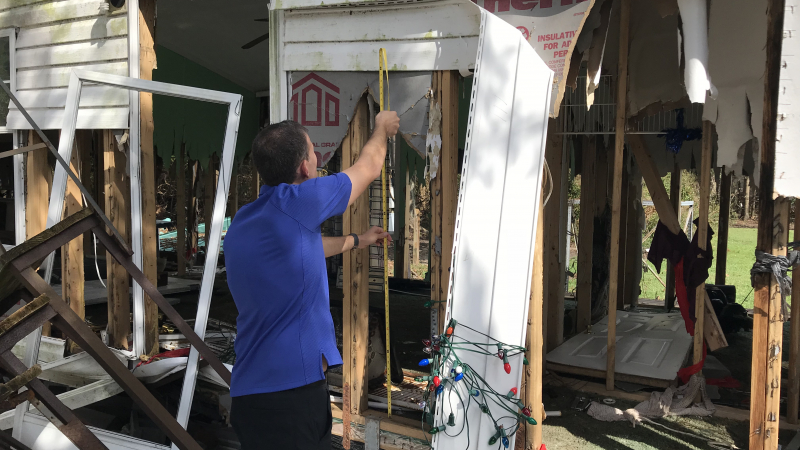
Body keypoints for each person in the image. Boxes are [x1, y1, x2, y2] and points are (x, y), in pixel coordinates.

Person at [224, 110, 401, 449]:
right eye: (313, 153)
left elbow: (301, 251)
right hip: (291, 396)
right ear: (305, 167)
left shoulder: (245, 221)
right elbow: (368, 168)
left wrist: (357, 241)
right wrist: (381, 129)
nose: (317, 160)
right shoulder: (299, 201)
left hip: (248, 395)